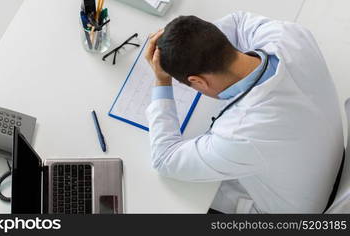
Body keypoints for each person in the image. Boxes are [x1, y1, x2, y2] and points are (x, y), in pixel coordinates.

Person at [144, 11, 343, 213]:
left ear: (198, 81)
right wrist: (189, 43)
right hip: (329, 161)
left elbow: (164, 159)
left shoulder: (241, 134)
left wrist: (162, 81)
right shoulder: (289, 35)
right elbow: (238, 22)